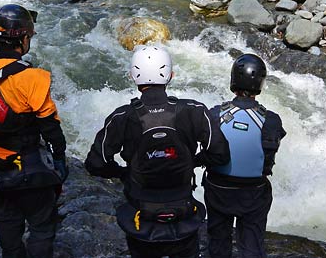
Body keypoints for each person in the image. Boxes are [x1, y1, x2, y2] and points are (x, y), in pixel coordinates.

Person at [85, 44, 230, 258]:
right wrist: (193, 161)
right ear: (170, 76)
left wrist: (123, 173)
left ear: (133, 76)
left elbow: (95, 164)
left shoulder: (122, 117)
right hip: (183, 212)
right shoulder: (194, 110)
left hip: (141, 215)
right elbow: (221, 154)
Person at [0, 4, 67, 258]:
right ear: (23, 39)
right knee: (42, 227)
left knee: (7, 226)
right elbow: (51, 127)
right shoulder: (33, 76)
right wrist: (59, 159)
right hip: (29, 167)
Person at [203, 54, 286, 258]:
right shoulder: (272, 120)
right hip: (254, 192)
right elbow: (269, 154)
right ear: (260, 82)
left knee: (218, 243)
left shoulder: (215, 114)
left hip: (218, 190)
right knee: (252, 247)